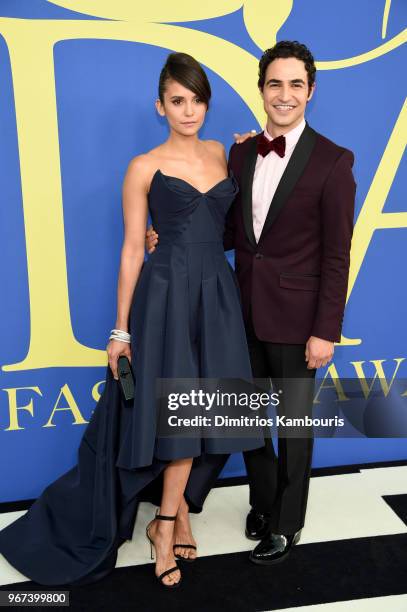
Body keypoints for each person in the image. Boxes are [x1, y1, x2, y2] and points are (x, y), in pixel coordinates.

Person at [0, 52, 264, 588]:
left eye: (196, 100)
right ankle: (164, 527)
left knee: (213, 409)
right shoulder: (143, 166)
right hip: (165, 295)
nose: (188, 110)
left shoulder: (224, 152)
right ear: (160, 106)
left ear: (206, 103)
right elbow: (130, 250)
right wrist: (121, 330)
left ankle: (182, 507)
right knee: (176, 411)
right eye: (177, 101)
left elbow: (233, 220)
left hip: (217, 294)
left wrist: (251, 146)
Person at [146, 40, 356, 565]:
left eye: (295, 85)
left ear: (311, 91)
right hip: (237, 311)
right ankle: (263, 504)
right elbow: (235, 232)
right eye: (274, 84)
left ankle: (288, 524)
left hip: (298, 319)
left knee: (293, 427)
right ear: (261, 89)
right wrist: (170, 238)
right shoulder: (240, 152)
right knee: (245, 420)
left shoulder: (334, 161)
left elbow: (337, 256)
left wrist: (325, 330)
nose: (284, 95)